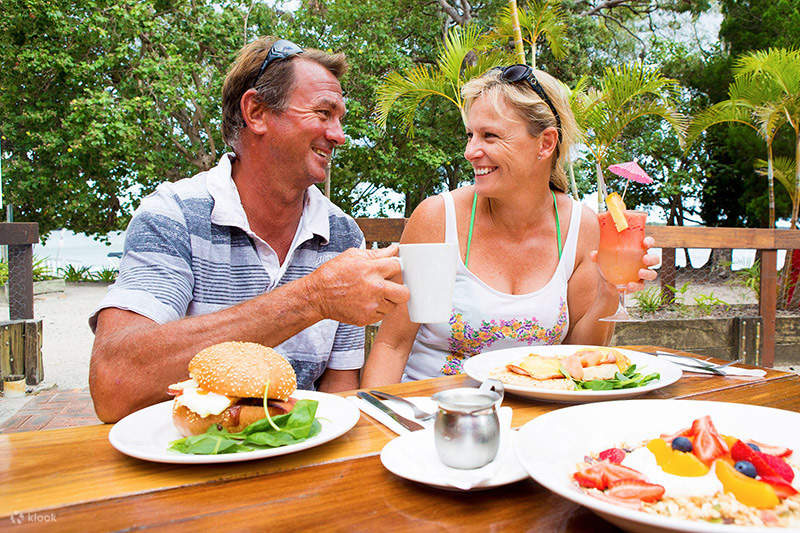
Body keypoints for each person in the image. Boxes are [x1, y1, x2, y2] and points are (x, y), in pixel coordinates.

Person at [89, 38, 409, 422]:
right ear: (256, 112)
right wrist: (312, 298)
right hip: (186, 459)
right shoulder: (173, 216)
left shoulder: (342, 236)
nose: (339, 135)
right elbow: (113, 384)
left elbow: (338, 392)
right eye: (323, 113)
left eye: (340, 118)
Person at [361, 64, 658, 386]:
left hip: (534, 417)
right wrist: (376, 426)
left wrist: (608, 292)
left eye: (490, 136)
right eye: (471, 135)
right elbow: (393, 344)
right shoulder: (439, 219)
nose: (470, 151)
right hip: (436, 413)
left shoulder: (581, 227)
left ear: (545, 143)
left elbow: (579, 357)